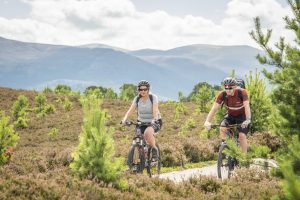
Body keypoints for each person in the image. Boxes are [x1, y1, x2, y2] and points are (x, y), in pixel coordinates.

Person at [204, 77, 251, 152]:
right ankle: (227, 146)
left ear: (235, 86)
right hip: (230, 115)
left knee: (242, 136)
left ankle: (243, 158)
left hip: (242, 116)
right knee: (222, 127)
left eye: (230, 88)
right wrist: (207, 121)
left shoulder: (242, 92)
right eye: (226, 88)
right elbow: (214, 109)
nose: (228, 90)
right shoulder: (222, 94)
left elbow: (247, 107)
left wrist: (248, 119)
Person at [121, 80, 162, 158]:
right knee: (138, 137)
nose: (143, 91)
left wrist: (154, 119)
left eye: (145, 89)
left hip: (154, 121)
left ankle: (154, 149)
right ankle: (143, 158)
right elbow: (130, 110)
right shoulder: (137, 99)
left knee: (147, 133)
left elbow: (155, 110)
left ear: (148, 89)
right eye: (141, 89)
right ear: (138, 90)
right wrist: (124, 119)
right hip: (141, 122)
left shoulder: (153, 98)